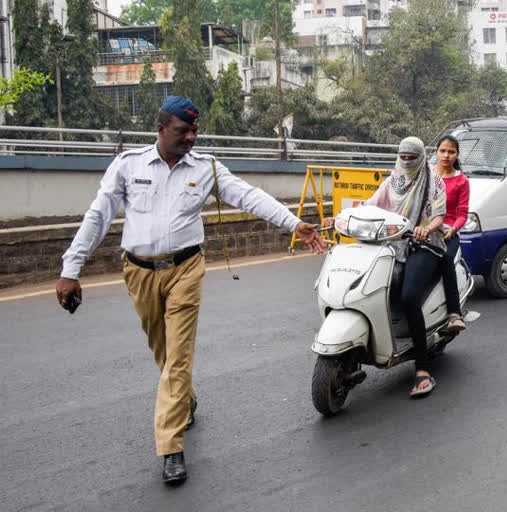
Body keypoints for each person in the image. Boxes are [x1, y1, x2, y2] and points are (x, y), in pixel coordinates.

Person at [55, 96, 325, 485]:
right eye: (183, 131)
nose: (191, 138)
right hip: (139, 272)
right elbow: (98, 217)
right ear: (161, 128)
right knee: (162, 350)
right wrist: (71, 268)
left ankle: (170, 446)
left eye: (195, 131)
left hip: (186, 269)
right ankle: (186, 399)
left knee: (178, 356)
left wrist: (292, 223)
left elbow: (247, 195)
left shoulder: (206, 167)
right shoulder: (128, 165)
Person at [323, 137, 446, 397]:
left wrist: (426, 229)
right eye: (402, 155)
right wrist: (341, 217)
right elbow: (370, 204)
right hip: (389, 244)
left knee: (410, 296)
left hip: (423, 245)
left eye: (412, 156)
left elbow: (438, 215)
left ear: (421, 157)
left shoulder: (433, 181)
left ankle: (422, 368)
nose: (406, 160)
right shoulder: (393, 181)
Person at [433, 135, 469, 332]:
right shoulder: (427, 175)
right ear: (436, 152)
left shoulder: (461, 181)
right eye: (443, 151)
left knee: (446, 258)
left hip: (448, 232)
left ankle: (454, 314)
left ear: (457, 155)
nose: (446, 155)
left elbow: (462, 214)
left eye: (451, 152)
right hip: (425, 229)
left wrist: (453, 229)